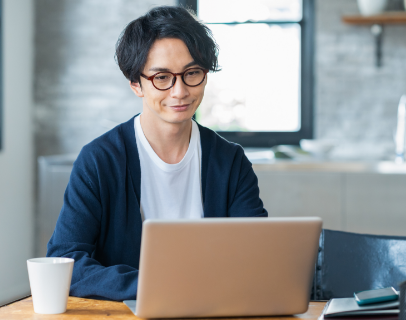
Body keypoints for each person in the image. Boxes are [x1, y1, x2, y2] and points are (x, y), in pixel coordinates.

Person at [46, 5, 268, 301]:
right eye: (162, 77)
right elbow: (66, 263)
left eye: (192, 73)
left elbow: (259, 256)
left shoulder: (229, 161)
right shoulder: (100, 160)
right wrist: (158, 286)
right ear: (136, 84)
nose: (180, 91)